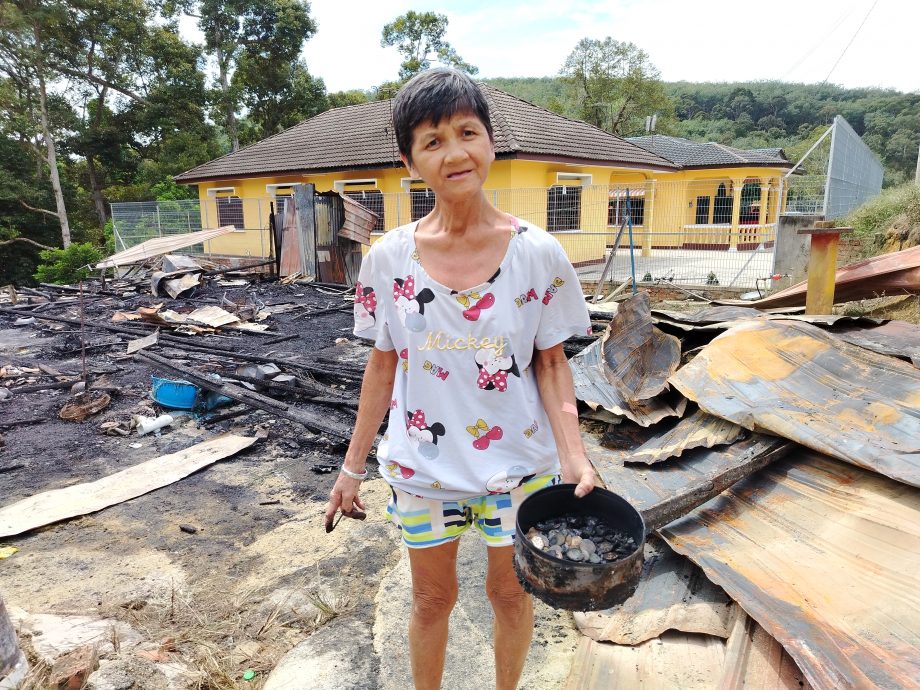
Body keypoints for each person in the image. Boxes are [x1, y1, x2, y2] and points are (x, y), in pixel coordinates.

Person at [325, 67, 595, 690]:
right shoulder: (388, 258)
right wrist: (351, 468)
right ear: (409, 160)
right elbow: (383, 364)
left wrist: (576, 457)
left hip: (520, 467)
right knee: (430, 602)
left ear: (490, 141)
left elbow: (552, 363)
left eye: (467, 132)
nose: (455, 152)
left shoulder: (538, 254)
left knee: (510, 596)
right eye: (433, 141)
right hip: (424, 469)